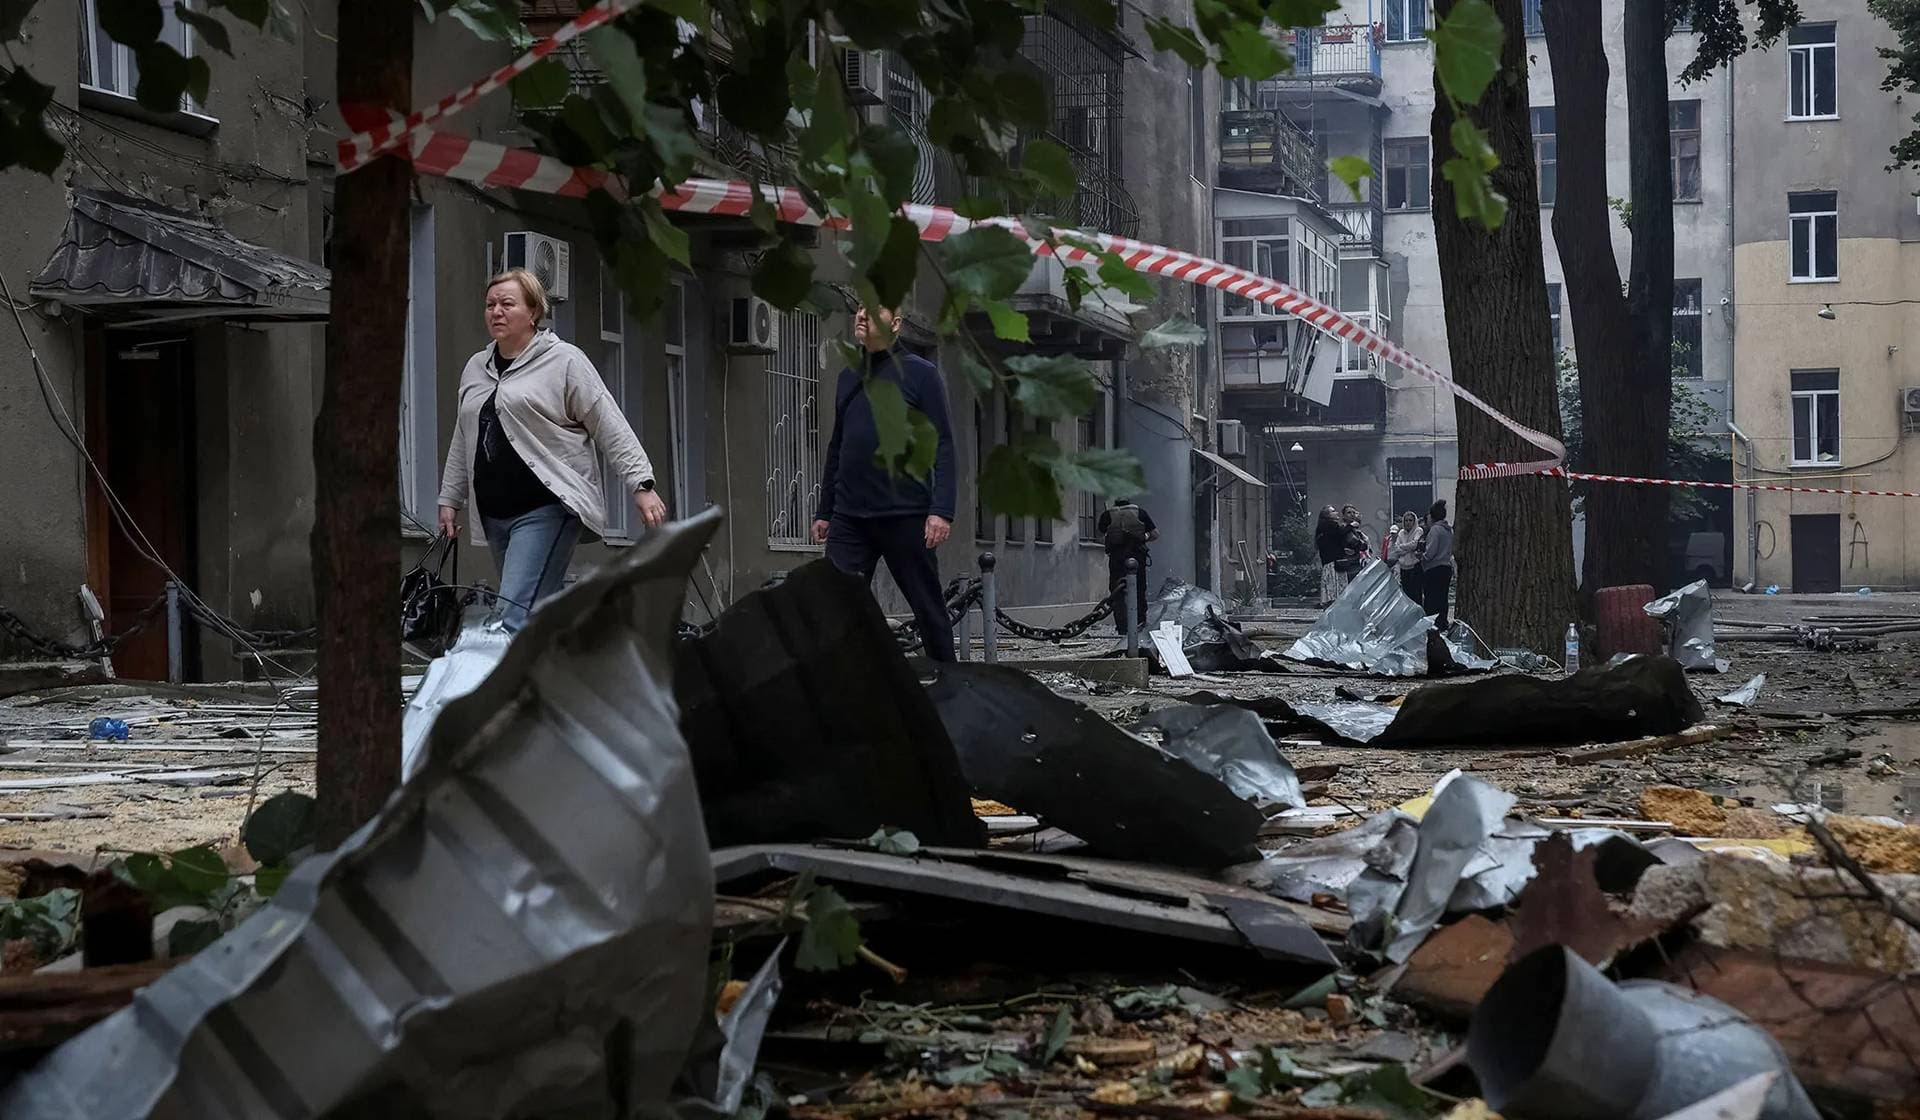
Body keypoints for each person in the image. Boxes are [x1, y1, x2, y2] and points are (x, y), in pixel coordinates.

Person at [437, 268, 665, 632]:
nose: (496, 312)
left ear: (533, 311)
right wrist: (450, 497)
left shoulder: (564, 361)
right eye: (490, 305)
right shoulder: (476, 367)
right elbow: (464, 435)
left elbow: (607, 420)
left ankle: (519, 672)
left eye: (507, 304)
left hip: (546, 507)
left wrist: (641, 483)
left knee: (513, 615)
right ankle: (582, 659)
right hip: (495, 514)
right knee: (539, 614)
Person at [810, 305, 958, 661]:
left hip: (905, 513)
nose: (862, 315)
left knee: (927, 608)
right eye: (860, 308)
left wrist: (941, 509)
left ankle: (953, 682)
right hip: (850, 517)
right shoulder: (849, 376)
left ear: (896, 324)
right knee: (835, 606)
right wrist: (825, 510)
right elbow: (838, 445)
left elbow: (943, 442)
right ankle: (846, 685)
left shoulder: (921, 374)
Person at [1097, 497, 1158, 637]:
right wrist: (1144, 537)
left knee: (1117, 591)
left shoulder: (1108, 514)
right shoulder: (1140, 512)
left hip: (1117, 558)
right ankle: (1140, 623)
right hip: (1137, 557)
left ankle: (1122, 627)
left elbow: (1099, 534)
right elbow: (1155, 534)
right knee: (1139, 589)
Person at [1419, 499, 1456, 627]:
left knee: (1431, 600)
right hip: (1446, 567)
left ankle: (1433, 625)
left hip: (1434, 569)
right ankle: (1442, 622)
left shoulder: (1435, 530)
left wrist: (1422, 557)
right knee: (1443, 599)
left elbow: (1431, 552)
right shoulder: (1448, 530)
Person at [1386, 511, 1425, 602]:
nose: (1408, 522)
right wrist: (1409, 549)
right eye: (1406, 520)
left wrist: (1403, 546)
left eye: (1410, 520)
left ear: (1414, 521)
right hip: (1403, 568)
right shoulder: (1401, 533)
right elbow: (1397, 549)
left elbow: (1415, 544)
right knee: (1406, 594)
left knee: (1416, 594)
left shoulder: (1418, 530)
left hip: (1414, 567)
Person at [1314, 506, 1348, 607]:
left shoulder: (1323, 528)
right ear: (1327, 515)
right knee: (1336, 592)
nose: (1336, 513)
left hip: (1330, 564)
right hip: (1334, 564)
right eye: (1333, 511)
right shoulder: (1329, 526)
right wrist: (1350, 526)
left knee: (1332, 592)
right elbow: (1341, 533)